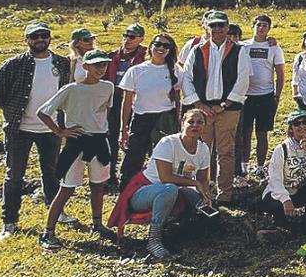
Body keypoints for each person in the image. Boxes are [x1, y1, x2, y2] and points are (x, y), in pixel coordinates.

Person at [0, 21, 72, 240]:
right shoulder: (12, 65)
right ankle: (9, 222)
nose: (40, 39)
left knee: (52, 173)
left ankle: (57, 212)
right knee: (14, 176)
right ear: (27, 39)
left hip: (51, 129)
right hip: (19, 129)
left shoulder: (62, 63)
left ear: (50, 37)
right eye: (34, 36)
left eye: (43, 35)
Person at [34, 50, 117, 250]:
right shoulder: (71, 89)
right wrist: (60, 131)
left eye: (104, 65)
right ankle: (48, 232)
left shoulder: (108, 87)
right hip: (77, 142)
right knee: (67, 187)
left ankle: (97, 224)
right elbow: (43, 112)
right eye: (96, 65)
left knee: (98, 185)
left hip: (99, 141)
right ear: (85, 66)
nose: (101, 69)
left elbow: (105, 111)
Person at [110, 108, 212, 259]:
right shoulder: (168, 143)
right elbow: (165, 177)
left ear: (204, 126)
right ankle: (154, 240)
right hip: (144, 191)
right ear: (182, 123)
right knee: (169, 190)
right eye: (191, 121)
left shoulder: (203, 149)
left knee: (199, 202)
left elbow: (203, 179)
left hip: (176, 190)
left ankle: (175, 229)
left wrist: (206, 194)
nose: (195, 125)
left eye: (200, 122)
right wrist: (195, 183)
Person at [180, 11, 250, 206]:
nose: (217, 29)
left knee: (225, 151)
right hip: (202, 109)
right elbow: (186, 79)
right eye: (213, 26)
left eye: (221, 25)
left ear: (227, 28)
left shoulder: (239, 50)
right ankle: (201, 192)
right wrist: (199, 104)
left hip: (228, 109)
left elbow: (243, 79)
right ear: (207, 28)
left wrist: (224, 104)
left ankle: (225, 194)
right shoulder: (196, 50)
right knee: (201, 151)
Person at [118, 33, 181, 188]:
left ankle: (162, 190)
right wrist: (123, 129)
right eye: (158, 44)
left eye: (166, 46)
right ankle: (127, 190)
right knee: (134, 157)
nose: (161, 48)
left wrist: (178, 124)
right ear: (151, 46)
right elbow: (127, 102)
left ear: (170, 50)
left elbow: (178, 100)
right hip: (141, 118)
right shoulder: (136, 70)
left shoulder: (176, 70)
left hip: (166, 119)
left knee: (164, 159)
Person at [258, 109, 306, 230]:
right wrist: (285, 200)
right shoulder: (282, 149)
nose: (301, 126)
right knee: (274, 206)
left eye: (305, 122)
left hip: (300, 190)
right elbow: (275, 179)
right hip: (280, 193)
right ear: (291, 128)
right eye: (296, 124)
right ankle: (281, 223)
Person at [238, 14, 285, 183]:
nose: (261, 28)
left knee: (262, 134)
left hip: (266, 96)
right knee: (245, 133)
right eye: (258, 25)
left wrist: (277, 96)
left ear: (269, 29)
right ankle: (243, 166)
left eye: (265, 25)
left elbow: (280, 73)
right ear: (253, 26)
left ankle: (259, 166)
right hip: (245, 97)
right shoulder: (242, 46)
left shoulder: (274, 47)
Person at [104, 23, 147, 184]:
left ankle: (129, 174)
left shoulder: (145, 56)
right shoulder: (112, 55)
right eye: (125, 35)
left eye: (132, 36)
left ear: (141, 39)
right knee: (111, 136)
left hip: (135, 100)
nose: (127, 39)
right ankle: (109, 174)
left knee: (134, 137)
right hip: (113, 99)